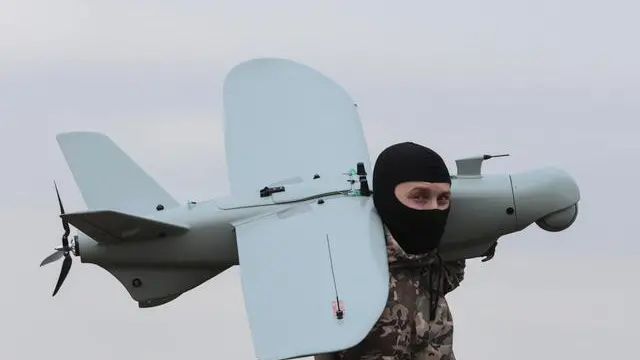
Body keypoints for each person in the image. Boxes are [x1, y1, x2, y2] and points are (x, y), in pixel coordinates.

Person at [316, 141, 466, 360]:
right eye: (420, 197)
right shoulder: (347, 270)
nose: (434, 209)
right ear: (387, 199)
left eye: (442, 199)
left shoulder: (431, 266)